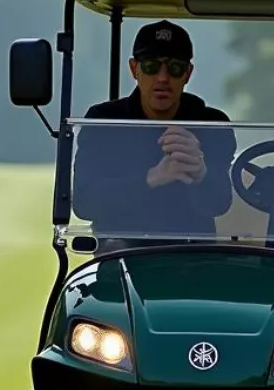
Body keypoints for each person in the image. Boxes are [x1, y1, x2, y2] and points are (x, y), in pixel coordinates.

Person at [72, 20, 237, 241]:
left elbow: (218, 203)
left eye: (175, 68)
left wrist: (201, 173)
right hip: (120, 254)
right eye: (151, 66)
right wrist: (152, 178)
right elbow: (84, 203)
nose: (162, 78)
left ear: (187, 74)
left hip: (193, 258)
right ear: (134, 69)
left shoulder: (211, 124)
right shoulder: (104, 121)